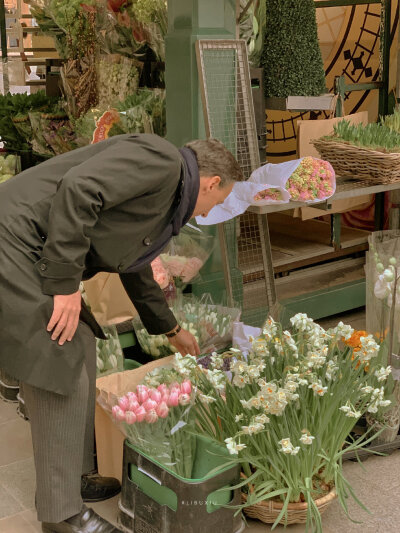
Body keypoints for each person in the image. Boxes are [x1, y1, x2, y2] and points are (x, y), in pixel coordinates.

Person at [0, 133, 244, 533]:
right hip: (14, 239)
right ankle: (61, 516)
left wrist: (170, 328)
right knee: (57, 354)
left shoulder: (168, 187)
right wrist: (64, 285)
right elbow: (79, 189)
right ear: (212, 181)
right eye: (213, 204)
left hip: (31, 245)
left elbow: (133, 262)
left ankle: (72, 480)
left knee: (78, 343)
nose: (204, 215)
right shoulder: (163, 162)